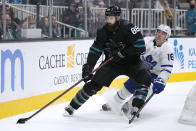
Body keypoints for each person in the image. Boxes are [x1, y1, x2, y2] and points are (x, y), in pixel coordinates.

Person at [64, 5, 151, 117]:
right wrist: (88, 67)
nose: (109, 20)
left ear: (118, 17)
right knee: (94, 84)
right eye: (107, 18)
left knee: (145, 77)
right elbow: (95, 50)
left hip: (132, 62)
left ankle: (135, 107)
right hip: (112, 63)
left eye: (111, 18)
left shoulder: (129, 28)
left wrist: (123, 53)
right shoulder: (102, 31)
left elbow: (140, 46)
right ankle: (71, 107)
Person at [102, 24, 174, 120]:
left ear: (167, 37)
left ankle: (132, 106)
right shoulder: (146, 41)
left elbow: (166, 69)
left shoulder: (168, 50)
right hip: (141, 70)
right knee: (128, 88)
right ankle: (114, 103)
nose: (159, 35)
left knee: (147, 89)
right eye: (158, 32)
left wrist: (161, 80)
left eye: (163, 34)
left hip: (154, 75)